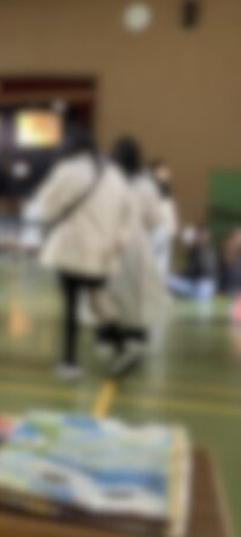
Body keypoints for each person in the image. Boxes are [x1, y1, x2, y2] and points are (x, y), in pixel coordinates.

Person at [34, 128, 129, 380]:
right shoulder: (114, 174)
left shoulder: (66, 171)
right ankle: (121, 345)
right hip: (102, 251)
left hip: (71, 248)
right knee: (99, 299)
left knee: (71, 305)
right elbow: (127, 213)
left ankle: (70, 361)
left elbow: (46, 208)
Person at [103, 137, 169, 374]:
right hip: (137, 245)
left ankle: (112, 339)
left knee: (110, 294)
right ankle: (133, 340)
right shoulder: (146, 185)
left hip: (110, 242)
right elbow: (155, 219)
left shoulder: (107, 180)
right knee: (136, 295)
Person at [168, 225, 219, 300]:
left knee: (204, 288)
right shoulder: (193, 250)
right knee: (170, 280)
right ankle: (189, 296)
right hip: (192, 283)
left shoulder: (209, 251)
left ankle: (192, 297)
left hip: (203, 284)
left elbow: (205, 271)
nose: (201, 238)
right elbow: (189, 270)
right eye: (199, 235)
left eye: (204, 235)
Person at [149, 159, 179, 278]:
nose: (166, 173)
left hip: (165, 230)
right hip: (154, 228)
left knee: (162, 263)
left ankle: (159, 285)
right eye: (162, 170)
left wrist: (173, 229)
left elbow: (169, 210)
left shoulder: (166, 189)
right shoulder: (149, 187)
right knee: (152, 260)